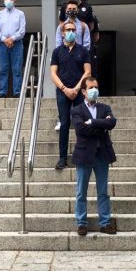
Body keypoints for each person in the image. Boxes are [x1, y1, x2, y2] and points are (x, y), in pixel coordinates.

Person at [71, 77, 117, 236]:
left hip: (102, 153)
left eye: (96, 87)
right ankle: (81, 223)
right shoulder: (76, 110)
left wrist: (92, 122)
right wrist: (101, 125)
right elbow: (80, 129)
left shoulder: (105, 107)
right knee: (81, 191)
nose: (94, 90)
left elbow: (112, 123)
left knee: (103, 190)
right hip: (84, 154)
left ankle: (105, 222)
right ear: (83, 91)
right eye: (91, 87)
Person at [50, 21, 91, 170]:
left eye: (73, 29)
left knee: (81, 124)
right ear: (62, 33)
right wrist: (65, 88)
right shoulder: (57, 51)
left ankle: (82, 156)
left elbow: (87, 71)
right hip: (62, 92)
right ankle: (62, 159)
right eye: (68, 30)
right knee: (64, 124)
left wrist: (76, 88)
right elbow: (53, 74)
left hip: (79, 92)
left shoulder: (83, 50)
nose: (71, 32)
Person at [0, 0, 26, 98]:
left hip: (16, 44)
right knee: (3, 69)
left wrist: (12, 39)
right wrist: (4, 40)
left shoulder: (20, 14)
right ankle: (2, 92)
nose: (9, 1)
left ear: (15, 0)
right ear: (3, 0)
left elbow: (22, 31)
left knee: (17, 69)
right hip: (2, 45)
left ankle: (17, 92)